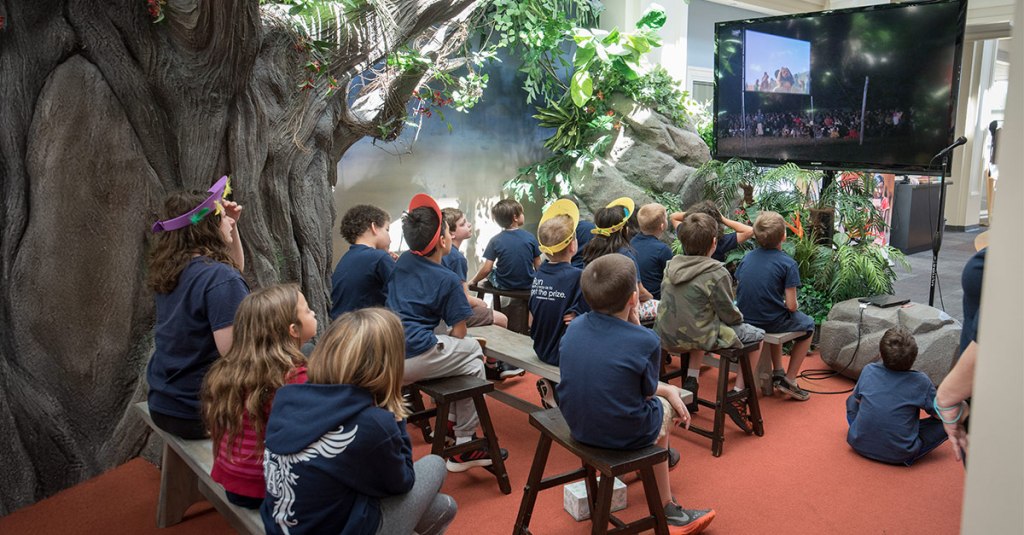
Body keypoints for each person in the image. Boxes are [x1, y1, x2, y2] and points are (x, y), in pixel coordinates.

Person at [261, 308, 457, 535]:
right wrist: (394, 413)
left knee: (440, 507)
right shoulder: (372, 422)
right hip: (332, 525)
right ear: (387, 366)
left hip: (283, 525)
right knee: (436, 466)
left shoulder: (288, 397)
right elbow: (403, 481)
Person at [558, 254, 716, 534]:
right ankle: (667, 507)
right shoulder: (645, 340)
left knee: (657, 398)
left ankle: (655, 457)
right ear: (633, 299)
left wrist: (665, 387)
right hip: (619, 432)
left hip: (577, 424)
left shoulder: (575, 326)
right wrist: (667, 390)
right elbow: (644, 392)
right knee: (662, 407)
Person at [387, 194, 509, 471]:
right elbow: (459, 332)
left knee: (462, 356)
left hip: (388, 351)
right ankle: (464, 441)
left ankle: (453, 421)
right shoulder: (448, 279)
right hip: (413, 355)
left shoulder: (403, 261)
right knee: (474, 355)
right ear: (444, 241)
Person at [147, 176, 249, 439]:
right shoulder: (220, 279)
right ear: (207, 226)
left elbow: (233, 270)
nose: (229, 219)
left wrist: (232, 227)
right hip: (199, 413)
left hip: (164, 405)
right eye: (221, 217)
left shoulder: (173, 271)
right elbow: (234, 354)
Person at [201, 284, 314, 509]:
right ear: (293, 329)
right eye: (308, 310)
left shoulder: (228, 368)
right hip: (267, 488)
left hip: (233, 481)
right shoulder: (295, 378)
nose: (314, 313)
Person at [656, 213, 764, 429]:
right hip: (698, 335)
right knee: (758, 337)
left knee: (699, 320)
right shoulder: (717, 272)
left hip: (665, 335)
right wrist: (738, 317)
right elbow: (728, 314)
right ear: (714, 243)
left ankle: (692, 379)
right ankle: (738, 396)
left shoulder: (671, 266)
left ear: (682, 240)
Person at [735, 211, 813, 401]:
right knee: (808, 325)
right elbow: (792, 306)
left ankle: (778, 370)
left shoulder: (747, 257)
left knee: (776, 312)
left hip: (745, 316)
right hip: (769, 320)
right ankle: (790, 379)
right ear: (784, 236)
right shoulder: (788, 263)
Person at [845, 327, 947, 466]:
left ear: (881, 354)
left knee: (851, 400)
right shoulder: (921, 381)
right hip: (900, 454)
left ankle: (865, 432)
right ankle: (901, 443)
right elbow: (939, 415)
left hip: (857, 443)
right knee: (948, 421)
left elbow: (857, 400)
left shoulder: (868, 369)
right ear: (915, 357)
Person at [529, 200, 590, 408]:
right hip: (562, 354)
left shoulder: (539, 273)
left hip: (540, 346)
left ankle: (552, 387)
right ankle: (566, 396)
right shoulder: (578, 276)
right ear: (573, 245)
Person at [580, 197, 658, 320]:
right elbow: (639, 292)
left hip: (595, 307)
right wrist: (651, 297)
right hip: (619, 311)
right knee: (659, 306)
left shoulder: (590, 250)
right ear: (624, 230)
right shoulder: (625, 254)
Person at [441, 207, 508, 330]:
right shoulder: (457, 259)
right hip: (450, 314)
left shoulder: (441, 253)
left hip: (443, 310)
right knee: (502, 319)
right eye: (463, 224)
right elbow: (464, 299)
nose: (469, 225)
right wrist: (481, 303)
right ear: (451, 233)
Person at [329, 205, 396, 320]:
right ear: (374, 227)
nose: (390, 239)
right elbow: (403, 293)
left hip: (341, 329)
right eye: (387, 229)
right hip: (365, 330)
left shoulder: (346, 258)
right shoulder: (379, 257)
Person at [469, 198, 541, 291]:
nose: (523, 215)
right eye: (522, 213)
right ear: (515, 217)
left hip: (504, 285)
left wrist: (473, 281)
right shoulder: (530, 237)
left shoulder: (494, 240)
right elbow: (538, 265)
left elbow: (487, 269)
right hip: (528, 284)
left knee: (482, 266)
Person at [670, 200, 753, 263]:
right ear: (714, 243)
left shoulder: (686, 234)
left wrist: (694, 214)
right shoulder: (720, 243)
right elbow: (749, 231)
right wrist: (722, 218)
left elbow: (673, 216)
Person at [632, 203, 674, 300]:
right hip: (654, 301)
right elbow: (673, 278)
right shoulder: (662, 250)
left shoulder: (631, 242)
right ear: (662, 226)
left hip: (635, 297)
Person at [559, 195, 596, 269]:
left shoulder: (557, 231)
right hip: (588, 269)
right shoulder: (591, 228)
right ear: (577, 211)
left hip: (566, 270)